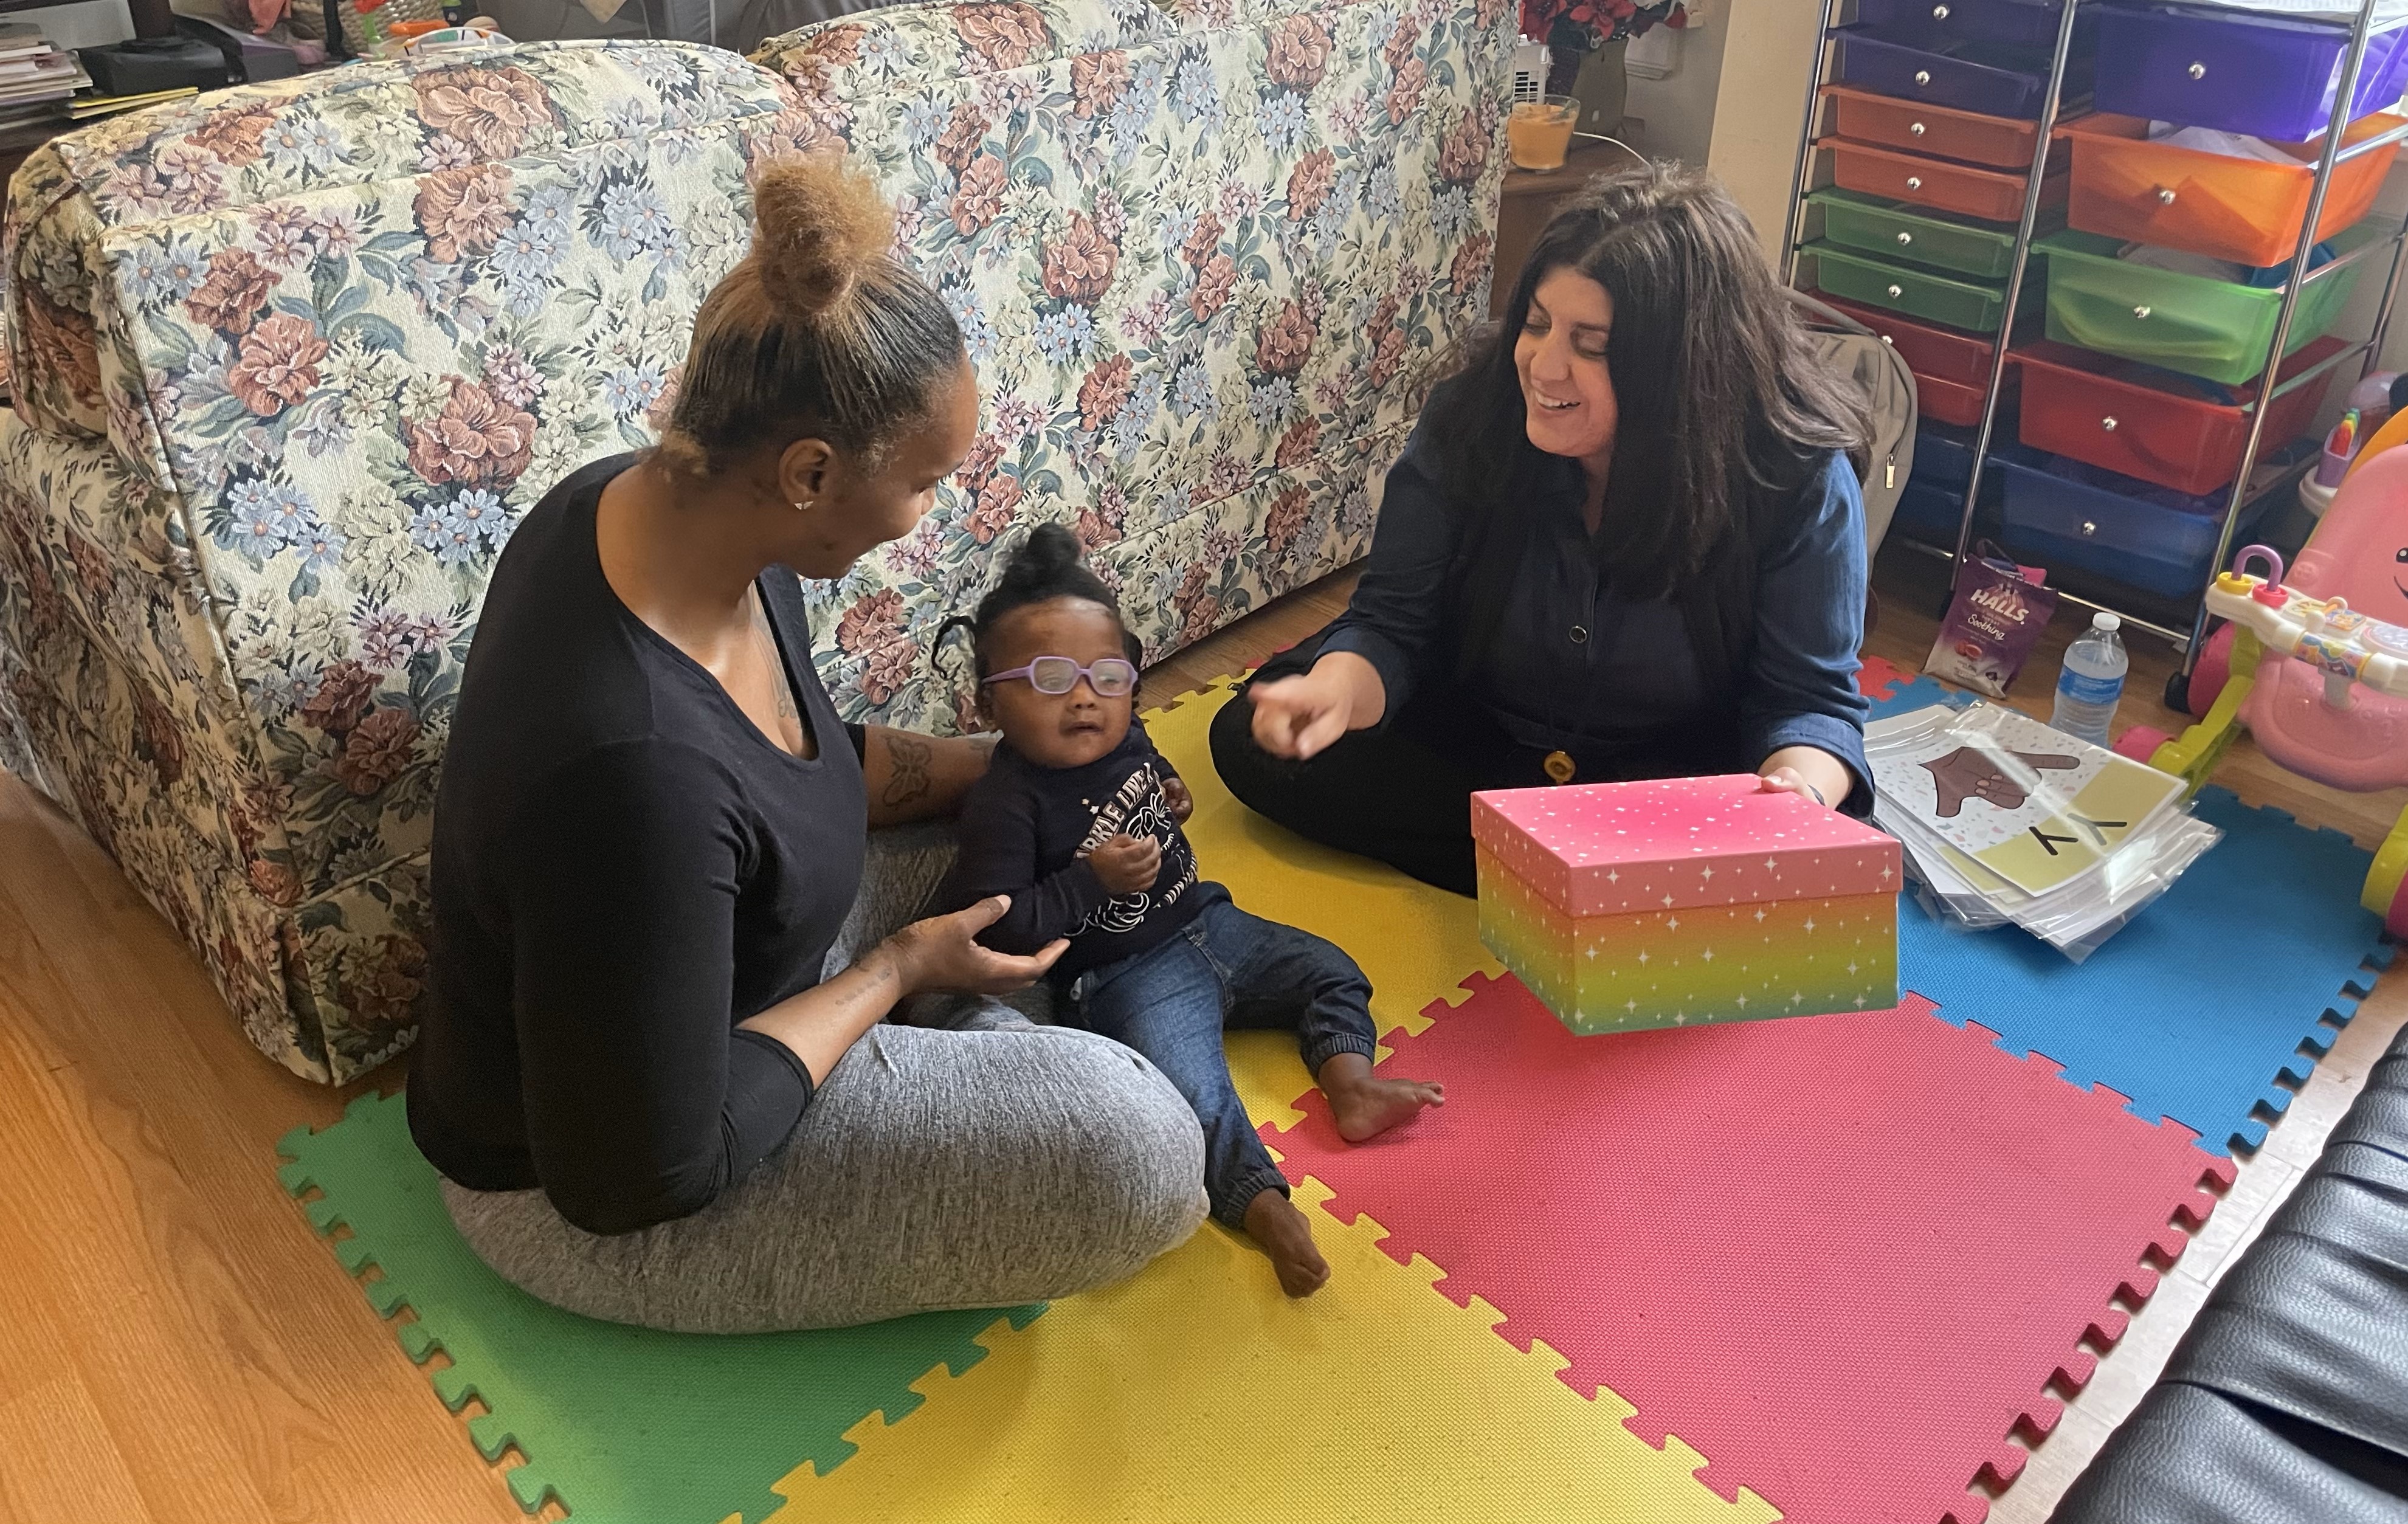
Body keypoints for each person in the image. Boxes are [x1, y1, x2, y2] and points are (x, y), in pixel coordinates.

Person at [406, 158, 1207, 1334]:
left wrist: (1017, 768)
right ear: (811, 473)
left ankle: (971, 1022)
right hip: (602, 1182)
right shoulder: (631, 774)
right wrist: (894, 973)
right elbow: (643, 1174)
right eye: (926, 486)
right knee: (1140, 1151)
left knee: (1033, 809)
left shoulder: (653, 515)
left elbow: (790, 761)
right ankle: (972, 1031)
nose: (926, 515)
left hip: (711, 972)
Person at [1210, 163, 1877, 896]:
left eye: (1592, 346)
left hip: (1665, 767)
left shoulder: (1793, 475)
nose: (1544, 366)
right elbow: (1392, 623)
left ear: (1683, 366)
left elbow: (1809, 702)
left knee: (1813, 836)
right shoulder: (1472, 416)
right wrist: (1335, 691)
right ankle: (1588, 877)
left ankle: (1551, 866)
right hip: (1481, 733)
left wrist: (1791, 800)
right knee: (1250, 737)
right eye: (1536, 323)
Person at [933, 526, 1443, 1298]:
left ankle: (1353, 1083)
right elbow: (999, 925)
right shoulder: (1007, 804)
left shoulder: (1124, 730)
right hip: (1125, 975)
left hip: (1207, 920)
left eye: (1107, 675)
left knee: (1332, 970)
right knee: (1193, 1097)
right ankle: (1263, 1203)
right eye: (1047, 677)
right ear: (987, 700)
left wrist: (1171, 786)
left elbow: (1147, 758)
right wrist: (1088, 882)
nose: (1083, 697)